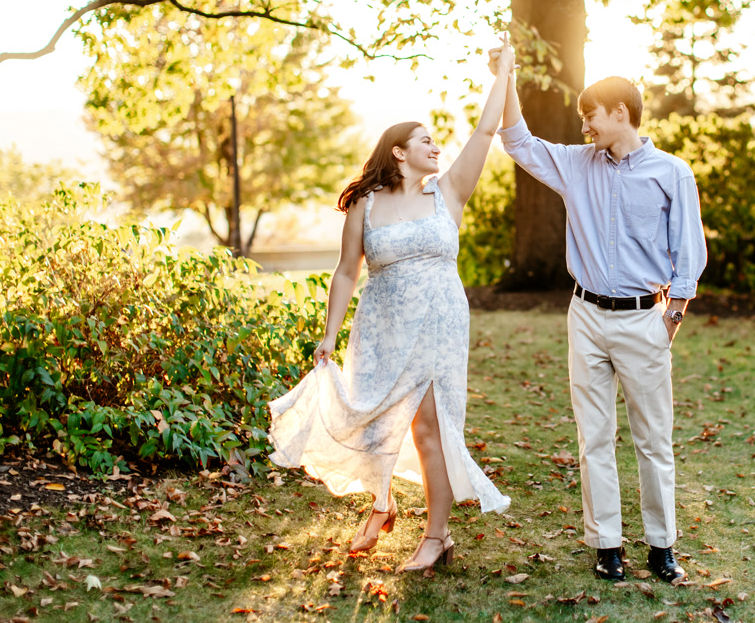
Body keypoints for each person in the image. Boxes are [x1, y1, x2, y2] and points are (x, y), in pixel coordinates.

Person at [268, 36, 515, 575]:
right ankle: (383, 506)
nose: (436, 146)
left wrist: (505, 70)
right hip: (381, 323)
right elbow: (345, 271)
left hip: (439, 323)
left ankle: (437, 537)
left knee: (429, 427)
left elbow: (485, 130)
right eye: (425, 140)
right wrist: (330, 333)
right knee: (379, 424)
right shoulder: (365, 203)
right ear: (398, 152)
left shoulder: (447, 192)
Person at [493, 59, 706, 584]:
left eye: (591, 115)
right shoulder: (574, 164)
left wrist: (671, 317)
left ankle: (662, 547)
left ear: (620, 113)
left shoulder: (672, 173)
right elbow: (517, 140)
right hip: (585, 315)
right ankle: (606, 543)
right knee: (594, 438)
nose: (584, 125)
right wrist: (507, 80)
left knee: (654, 440)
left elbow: (689, 250)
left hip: (644, 319)